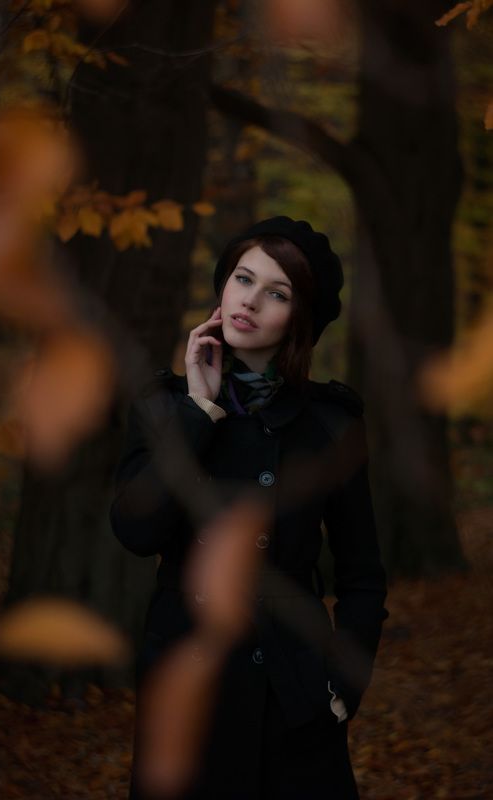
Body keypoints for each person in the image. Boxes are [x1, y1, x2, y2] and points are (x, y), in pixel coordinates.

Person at [110, 216, 389, 800]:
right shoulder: (165, 408)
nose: (250, 301)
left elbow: (363, 575)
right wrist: (199, 413)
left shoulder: (331, 423)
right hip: (189, 692)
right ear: (223, 286)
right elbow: (137, 531)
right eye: (243, 278)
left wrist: (341, 685)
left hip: (293, 694)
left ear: (300, 320)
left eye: (277, 293)